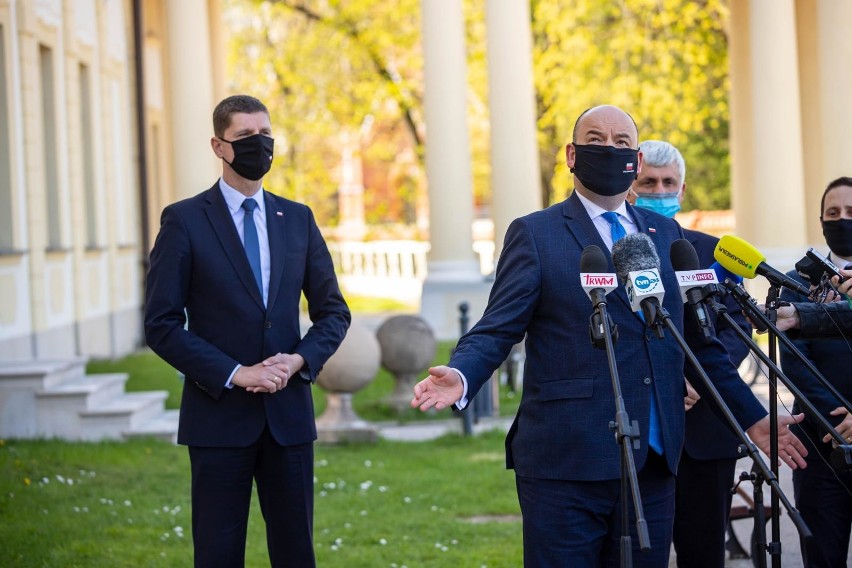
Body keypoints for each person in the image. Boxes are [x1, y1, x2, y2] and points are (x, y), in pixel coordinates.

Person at [411, 105, 807, 568]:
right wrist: (461, 374)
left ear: (635, 161)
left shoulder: (665, 235)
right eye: (596, 139)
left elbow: (698, 344)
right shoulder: (537, 234)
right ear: (572, 155)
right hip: (566, 462)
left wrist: (752, 417)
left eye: (622, 143)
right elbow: (498, 328)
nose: (610, 149)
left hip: (653, 462)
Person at [144, 95, 351, 567]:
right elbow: (161, 324)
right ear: (219, 146)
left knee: (297, 553)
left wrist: (297, 360)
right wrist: (236, 373)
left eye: (266, 134)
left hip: (289, 418)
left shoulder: (297, 218)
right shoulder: (185, 220)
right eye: (245, 137)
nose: (261, 145)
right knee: (217, 555)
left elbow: (334, 312)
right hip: (218, 419)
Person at [628, 140, 751, 568]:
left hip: (705, 428)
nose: (658, 191)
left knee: (703, 554)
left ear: (682, 192)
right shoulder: (613, 251)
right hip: (639, 434)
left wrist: (693, 379)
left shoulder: (712, 254)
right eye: (648, 182)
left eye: (668, 183)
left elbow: (736, 330)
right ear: (630, 187)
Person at [779, 177, 852, 567]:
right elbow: (795, 362)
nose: (842, 220)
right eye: (833, 214)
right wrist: (839, 422)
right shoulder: (797, 283)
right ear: (821, 222)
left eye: (851, 213)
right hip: (820, 441)